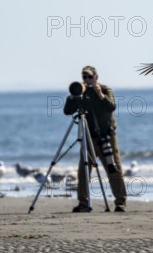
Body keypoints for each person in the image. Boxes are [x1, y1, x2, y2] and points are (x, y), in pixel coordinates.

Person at [63, 66, 127, 212]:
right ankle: (84, 203)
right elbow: (67, 111)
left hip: (106, 137)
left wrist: (99, 94)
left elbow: (111, 107)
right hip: (88, 138)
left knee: (113, 169)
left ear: (96, 77)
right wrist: (72, 97)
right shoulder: (81, 93)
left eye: (89, 77)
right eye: (84, 77)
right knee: (83, 171)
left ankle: (120, 202)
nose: (87, 80)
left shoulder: (105, 89)